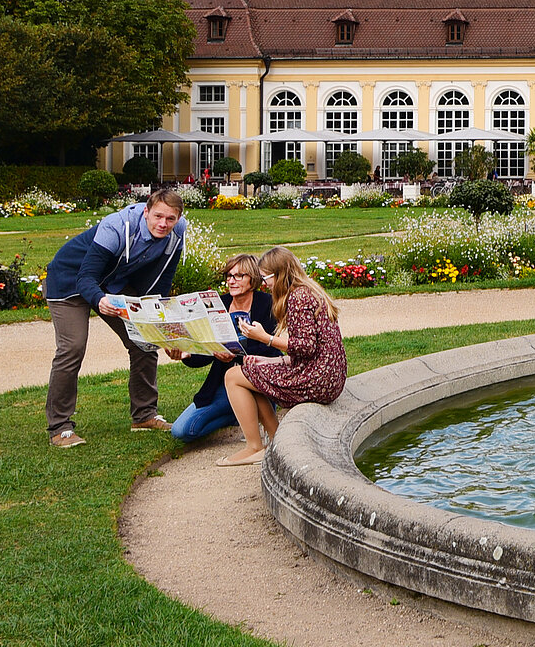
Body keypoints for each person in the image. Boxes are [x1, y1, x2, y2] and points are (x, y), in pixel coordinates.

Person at [42, 186, 190, 448]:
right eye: (158, 216)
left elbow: (161, 282)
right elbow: (86, 276)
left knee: (143, 340)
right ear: (146, 212)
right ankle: (60, 427)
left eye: (170, 218)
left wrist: (159, 329)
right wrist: (99, 300)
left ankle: (144, 415)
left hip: (113, 284)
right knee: (72, 347)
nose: (163, 223)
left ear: (178, 218)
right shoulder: (117, 226)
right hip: (70, 282)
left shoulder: (177, 233)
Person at [217, 246, 347, 467]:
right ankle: (275, 438)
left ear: (279, 274)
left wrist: (264, 337)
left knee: (232, 376)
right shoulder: (309, 291)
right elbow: (315, 351)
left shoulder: (298, 298)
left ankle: (254, 447)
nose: (264, 283)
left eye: (265, 277)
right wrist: (271, 360)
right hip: (330, 377)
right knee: (251, 371)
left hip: (317, 381)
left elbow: (305, 347)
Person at [167, 253, 273, 443]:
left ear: (253, 278)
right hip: (223, 382)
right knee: (182, 431)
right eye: (229, 276)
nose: (231, 281)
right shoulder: (218, 304)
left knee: (185, 429)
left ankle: (251, 410)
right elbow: (207, 351)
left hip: (256, 379)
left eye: (239, 276)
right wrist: (187, 354)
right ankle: (237, 414)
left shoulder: (267, 303)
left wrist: (236, 354)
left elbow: (272, 350)